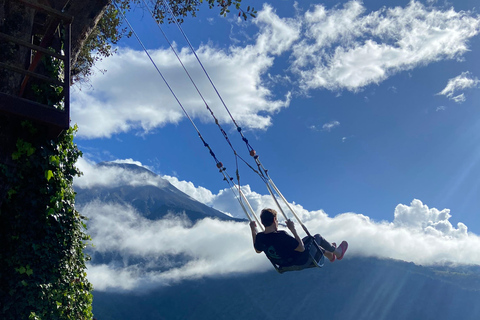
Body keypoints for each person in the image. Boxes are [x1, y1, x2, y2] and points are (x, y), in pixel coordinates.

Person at [250, 208, 348, 268]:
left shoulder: (260, 237)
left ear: (262, 222)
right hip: (299, 260)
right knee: (316, 238)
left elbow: (257, 249)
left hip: (282, 263)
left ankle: (330, 255)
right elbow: (301, 248)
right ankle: (338, 253)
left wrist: (253, 230)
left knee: (308, 241)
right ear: (274, 220)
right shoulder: (281, 235)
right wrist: (293, 230)